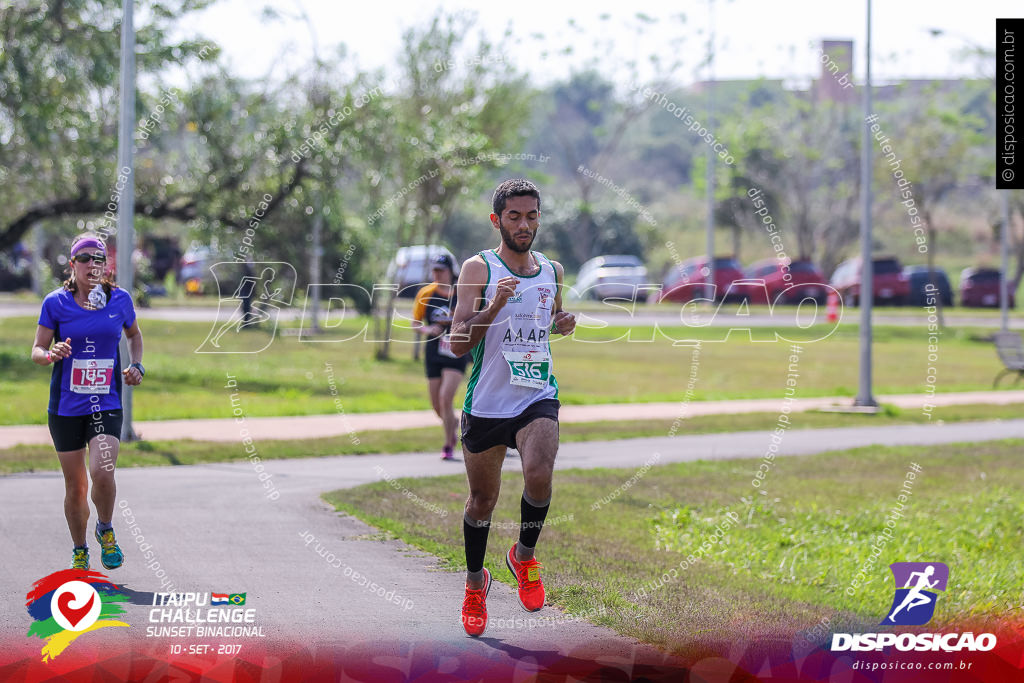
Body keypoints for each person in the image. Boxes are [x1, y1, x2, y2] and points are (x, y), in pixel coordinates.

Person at [448, 179, 576, 637]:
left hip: (536, 394)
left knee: (539, 473)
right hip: (487, 402)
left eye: (533, 215)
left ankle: (523, 556)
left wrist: (563, 323)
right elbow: (459, 341)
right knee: (483, 500)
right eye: (515, 216)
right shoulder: (477, 269)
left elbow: (550, 317)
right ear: (497, 219)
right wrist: (495, 304)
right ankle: (475, 583)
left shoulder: (552, 269)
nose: (525, 224)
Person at [31, 234, 145, 570]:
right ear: (72, 265)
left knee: (102, 472)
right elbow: (36, 350)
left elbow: (134, 335)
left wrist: (136, 364)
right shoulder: (56, 303)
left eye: (99, 259)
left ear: (106, 266)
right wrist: (51, 354)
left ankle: (106, 530)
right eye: (85, 259)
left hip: (105, 402)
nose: (93, 265)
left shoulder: (119, 300)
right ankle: (80, 548)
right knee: (76, 485)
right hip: (66, 407)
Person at [411, 254, 469, 460]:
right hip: (434, 352)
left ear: (451, 271)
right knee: (437, 405)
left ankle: (448, 444)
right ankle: (454, 425)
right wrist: (428, 330)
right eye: (434, 270)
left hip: (456, 352)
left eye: (441, 270)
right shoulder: (426, 293)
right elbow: (415, 324)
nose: (437, 274)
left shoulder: (463, 292)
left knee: (446, 397)